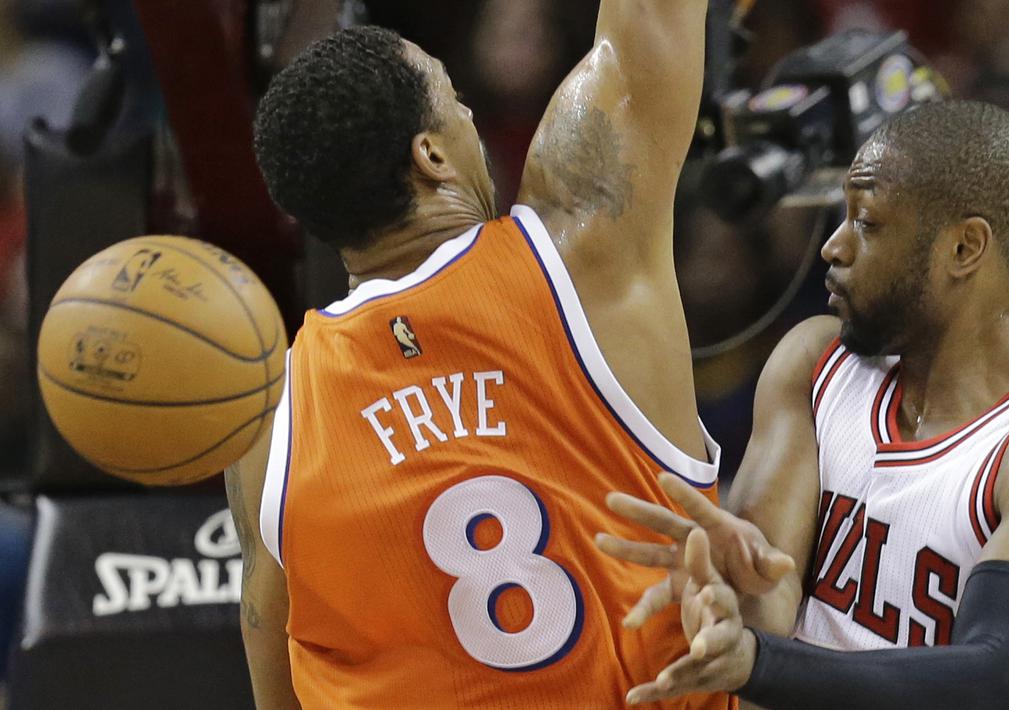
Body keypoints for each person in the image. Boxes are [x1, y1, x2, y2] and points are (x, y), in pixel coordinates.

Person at [227, 10, 734, 709]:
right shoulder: (578, 253)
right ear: (432, 156)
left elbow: (276, 676)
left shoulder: (267, 421)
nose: (469, 111)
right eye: (453, 98)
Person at [597, 100, 1009, 710]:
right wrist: (725, 602)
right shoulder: (815, 366)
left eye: (867, 221)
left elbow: (995, 681)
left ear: (965, 248)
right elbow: (765, 609)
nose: (834, 247)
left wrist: (758, 661)